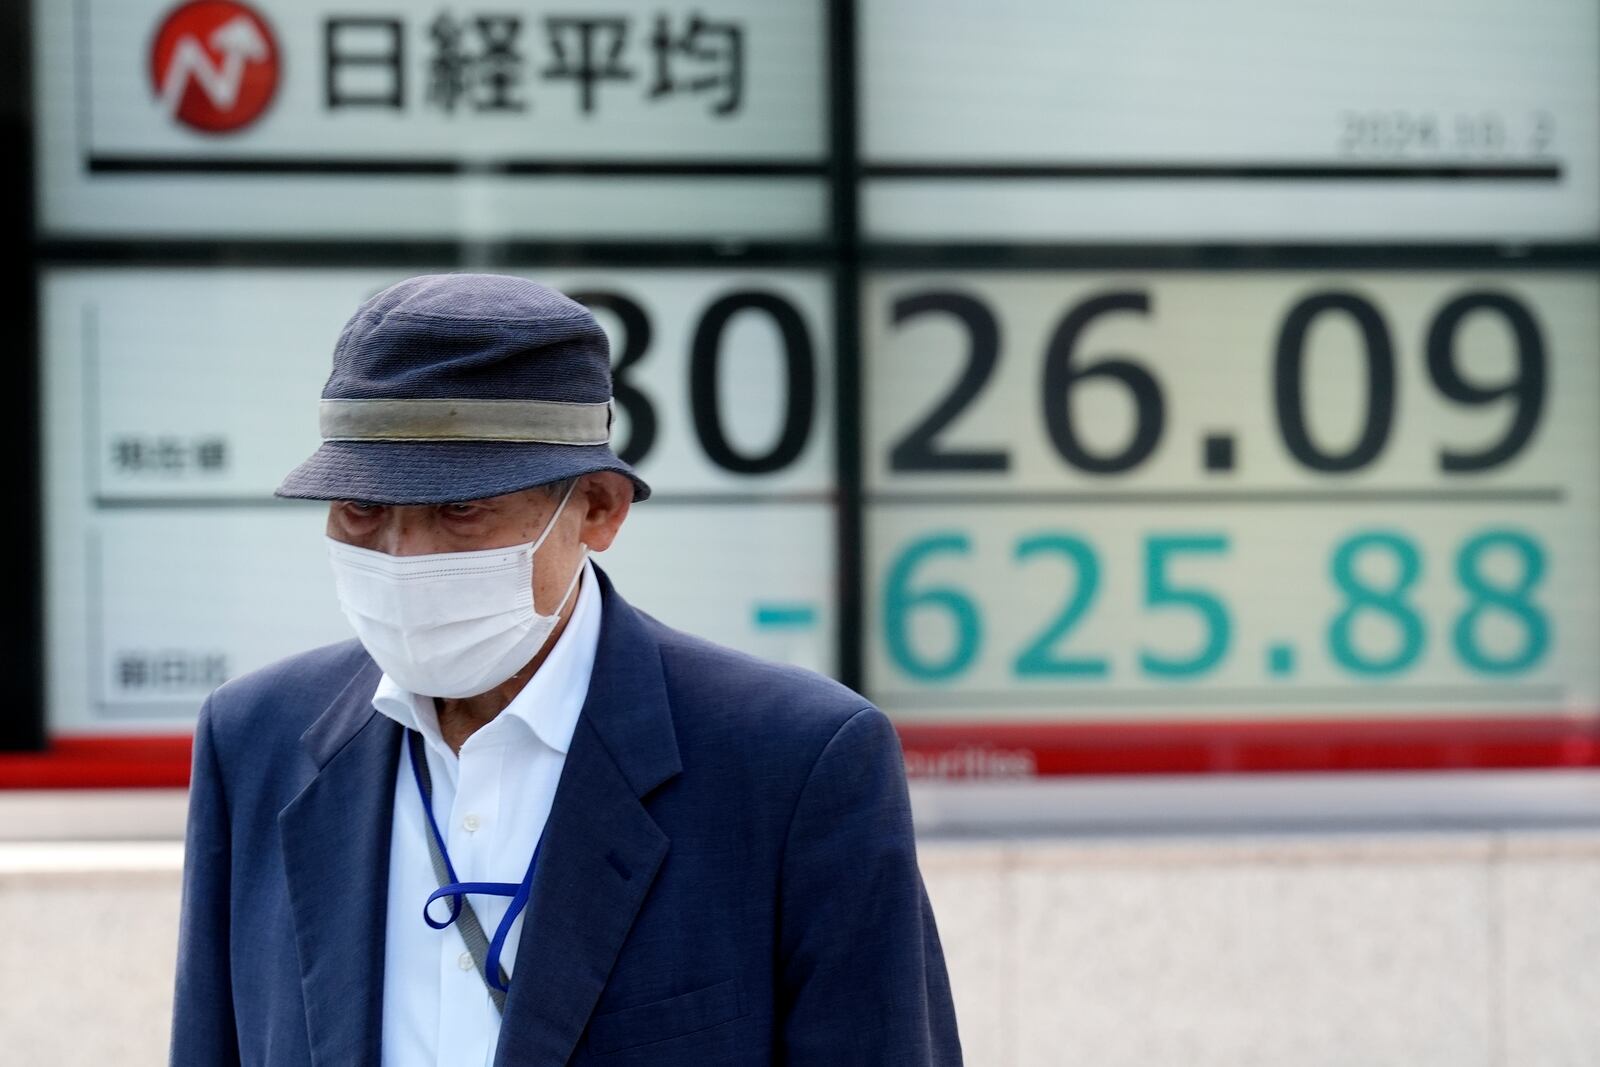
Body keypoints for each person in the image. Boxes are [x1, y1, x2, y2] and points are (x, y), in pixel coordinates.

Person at [169, 273, 962, 1066]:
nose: (401, 558)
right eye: (361, 509)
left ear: (599, 508)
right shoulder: (255, 740)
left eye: (459, 509)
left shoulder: (793, 765)